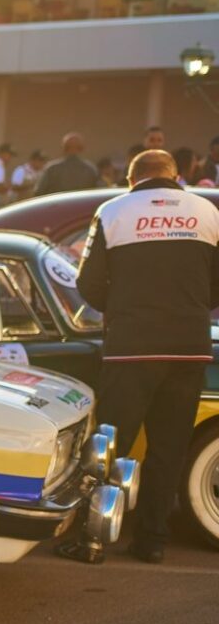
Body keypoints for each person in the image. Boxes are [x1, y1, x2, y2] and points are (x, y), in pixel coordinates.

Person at [60, 150, 219, 564]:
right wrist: (194, 308)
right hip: (188, 347)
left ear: (132, 180)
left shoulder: (113, 211)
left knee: (110, 447)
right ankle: (151, 541)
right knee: (169, 448)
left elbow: (87, 282)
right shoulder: (206, 211)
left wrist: (122, 308)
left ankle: (92, 539)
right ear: (176, 177)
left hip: (131, 348)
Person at [35, 132, 99, 195]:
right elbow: (98, 193)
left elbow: (38, 192)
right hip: (84, 205)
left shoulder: (52, 169)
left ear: (64, 148)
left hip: (57, 205)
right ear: (82, 148)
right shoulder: (90, 169)